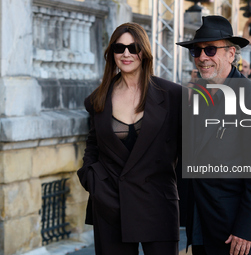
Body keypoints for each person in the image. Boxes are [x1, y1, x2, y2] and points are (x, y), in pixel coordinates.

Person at [77, 22, 182, 255]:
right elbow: (93, 145)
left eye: (133, 48)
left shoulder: (173, 95)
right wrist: (92, 179)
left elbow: (186, 152)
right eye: (119, 48)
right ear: (111, 53)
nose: (126, 54)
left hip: (157, 204)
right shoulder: (98, 99)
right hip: (111, 204)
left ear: (144, 52)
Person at [177, 15, 251, 255]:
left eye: (210, 50)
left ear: (231, 53)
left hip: (234, 231)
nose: (202, 57)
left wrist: (246, 228)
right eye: (197, 51)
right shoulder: (199, 94)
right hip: (202, 221)